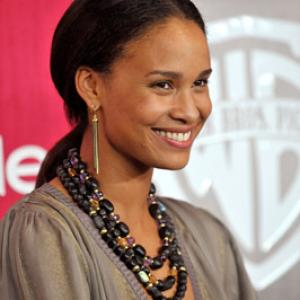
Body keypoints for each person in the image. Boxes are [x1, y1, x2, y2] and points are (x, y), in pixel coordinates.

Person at [0, 0, 256, 299]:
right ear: (92, 87)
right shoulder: (46, 233)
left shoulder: (209, 237)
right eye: (163, 85)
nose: (190, 111)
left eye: (200, 82)